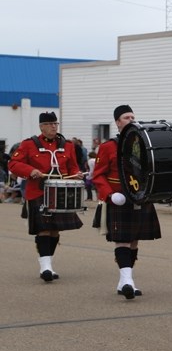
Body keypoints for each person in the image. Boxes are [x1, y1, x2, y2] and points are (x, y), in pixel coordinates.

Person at [91, 105, 162, 300]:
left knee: (133, 240)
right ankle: (128, 280)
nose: (131, 119)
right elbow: (97, 175)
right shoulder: (108, 147)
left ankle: (124, 281)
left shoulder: (143, 142)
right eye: (125, 117)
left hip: (139, 196)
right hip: (118, 198)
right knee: (122, 239)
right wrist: (109, 194)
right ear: (117, 122)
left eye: (132, 116)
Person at [8, 112, 84, 282]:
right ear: (41, 126)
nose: (53, 127)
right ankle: (45, 267)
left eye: (55, 123)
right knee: (44, 228)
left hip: (62, 193)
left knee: (55, 230)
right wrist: (30, 171)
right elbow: (13, 164)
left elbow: (72, 167)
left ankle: (48, 262)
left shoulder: (67, 145)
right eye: (49, 124)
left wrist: (76, 174)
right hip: (39, 192)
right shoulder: (29, 144)